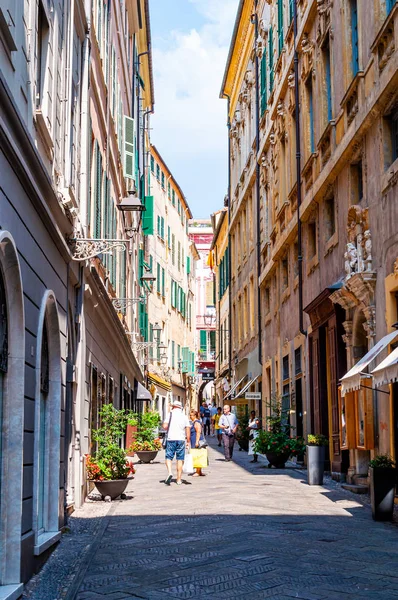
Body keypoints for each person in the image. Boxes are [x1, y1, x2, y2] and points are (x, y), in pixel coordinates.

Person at [163, 400, 190, 485]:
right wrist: (188, 441)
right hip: (181, 439)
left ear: (173, 407)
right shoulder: (184, 416)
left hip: (171, 439)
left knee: (168, 457)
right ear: (180, 407)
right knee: (180, 459)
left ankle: (170, 472)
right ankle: (178, 479)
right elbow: (188, 429)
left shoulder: (169, 414)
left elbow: (165, 426)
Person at [189, 409, 206, 477]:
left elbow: (198, 432)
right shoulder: (194, 422)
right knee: (198, 455)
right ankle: (199, 471)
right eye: (190, 415)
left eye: (191, 415)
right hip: (194, 440)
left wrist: (197, 441)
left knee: (197, 456)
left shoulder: (196, 422)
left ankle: (198, 471)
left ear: (195, 415)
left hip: (196, 441)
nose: (190, 416)